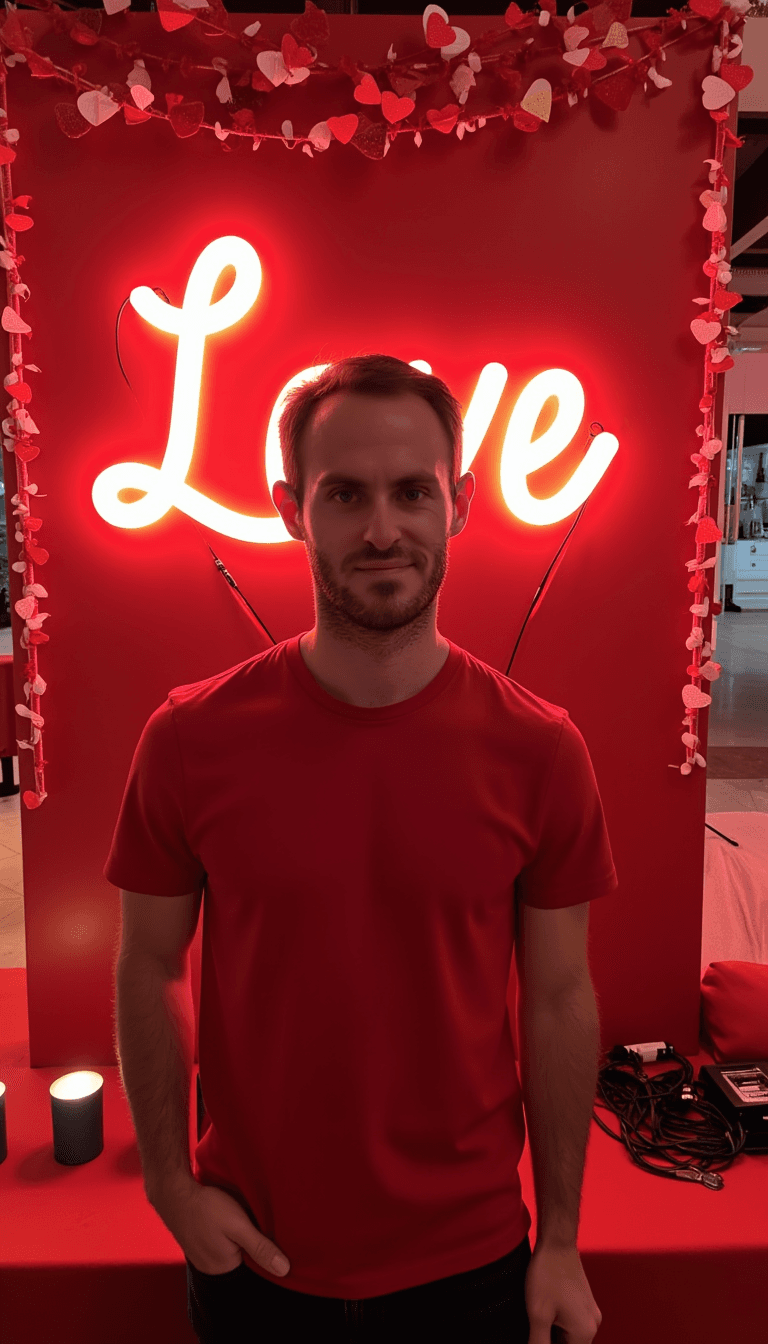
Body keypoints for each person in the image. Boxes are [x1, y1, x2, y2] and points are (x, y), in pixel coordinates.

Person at [107, 354, 616, 1342]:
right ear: (292, 508)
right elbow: (149, 965)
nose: (383, 529)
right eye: (345, 494)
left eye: (411, 492)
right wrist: (169, 1184)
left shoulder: (542, 749)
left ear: (458, 504)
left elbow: (560, 998)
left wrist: (560, 1240)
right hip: (257, 1261)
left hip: (472, 1268)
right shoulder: (187, 738)